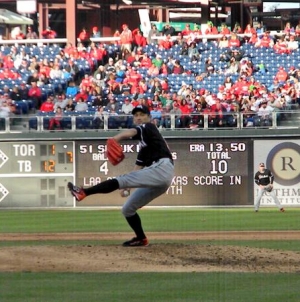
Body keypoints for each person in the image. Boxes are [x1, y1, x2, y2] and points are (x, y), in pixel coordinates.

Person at [68, 104, 174, 247]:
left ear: (149, 117)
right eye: (136, 115)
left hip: (162, 167)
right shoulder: (145, 145)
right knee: (128, 209)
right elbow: (137, 168)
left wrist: (115, 139)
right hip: (161, 177)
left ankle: (84, 192)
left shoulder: (149, 127)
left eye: (142, 114)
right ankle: (141, 238)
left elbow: (130, 132)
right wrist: (128, 187)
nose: (138, 118)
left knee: (121, 180)